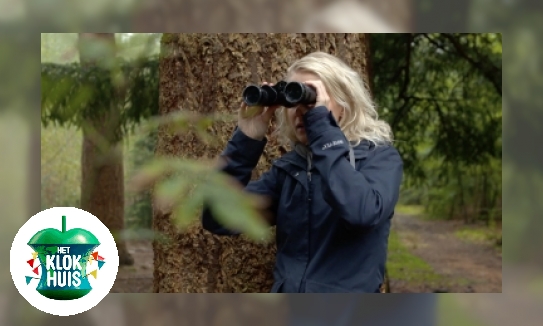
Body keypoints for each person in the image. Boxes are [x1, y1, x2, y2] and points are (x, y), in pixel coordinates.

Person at [202, 51, 403, 293]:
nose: (300, 111)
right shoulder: (289, 171)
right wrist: (246, 139)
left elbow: (360, 211)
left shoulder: (379, 159)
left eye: (310, 100)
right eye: (293, 100)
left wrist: (321, 128)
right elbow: (218, 218)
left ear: (344, 104)